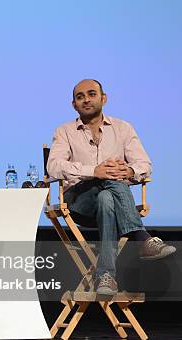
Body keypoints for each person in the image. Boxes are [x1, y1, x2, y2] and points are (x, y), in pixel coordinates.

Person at [47, 79, 176, 295]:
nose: (86, 99)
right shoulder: (64, 131)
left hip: (112, 206)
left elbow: (144, 164)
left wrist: (130, 171)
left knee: (107, 196)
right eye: (80, 97)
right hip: (79, 202)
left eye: (91, 94)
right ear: (74, 104)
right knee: (109, 172)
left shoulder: (123, 128)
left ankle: (105, 277)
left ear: (103, 98)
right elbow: (53, 166)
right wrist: (94, 171)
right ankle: (141, 237)